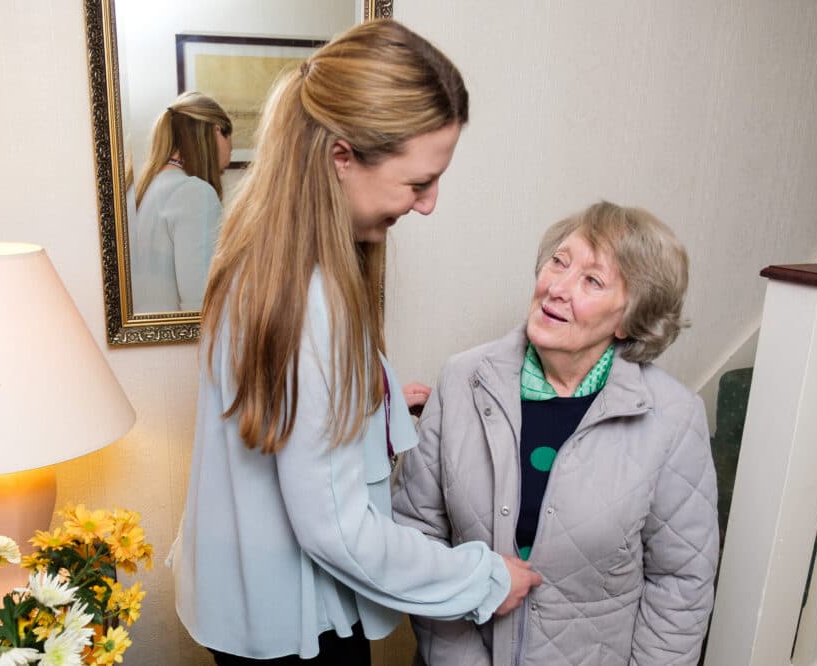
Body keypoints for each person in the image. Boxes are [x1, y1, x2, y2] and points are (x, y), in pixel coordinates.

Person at [169, 19, 542, 665]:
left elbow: (284, 401)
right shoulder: (312, 299)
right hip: (302, 628)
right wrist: (483, 580)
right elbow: (338, 530)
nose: (427, 204)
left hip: (243, 600)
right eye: (418, 182)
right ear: (343, 156)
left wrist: (381, 401)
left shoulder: (259, 252)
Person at [392, 201, 720, 665]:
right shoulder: (462, 379)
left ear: (630, 318)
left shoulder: (673, 417)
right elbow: (417, 533)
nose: (557, 288)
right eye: (559, 262)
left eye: (592, 280)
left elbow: (680, 584)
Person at [129, 91, 232, 312]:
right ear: (216, 130)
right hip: (181, 343)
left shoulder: (152, 187)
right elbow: (201, 302)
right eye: (228, 135)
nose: (230, 146)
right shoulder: (195, 193)